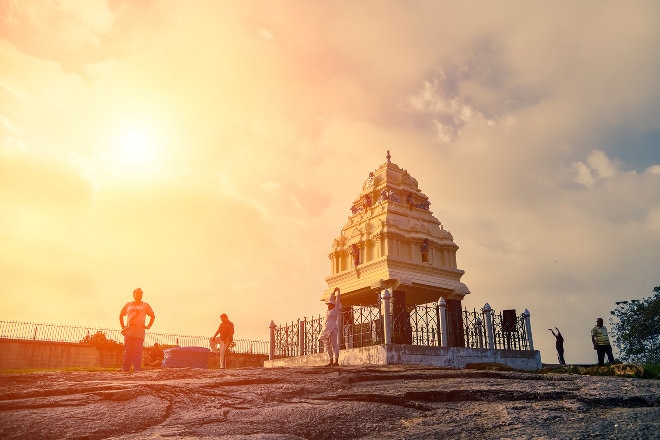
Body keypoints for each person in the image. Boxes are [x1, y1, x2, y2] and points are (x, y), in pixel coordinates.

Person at [119, 288, 155, 372]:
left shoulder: (145, 305)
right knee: (128, 350)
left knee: (137, 351)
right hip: (129, 332)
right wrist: (123, 326)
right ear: (133, 295)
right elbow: (121, 314)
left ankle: (137, 368)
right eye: (137, 293)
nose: (139, 295)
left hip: (139, 333)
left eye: (140, 294)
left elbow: (152, 316)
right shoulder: (128, 304)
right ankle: (125, 368)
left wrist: (148, 325)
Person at [318, 287, 342, 366]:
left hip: (332, 329)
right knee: (327, 346)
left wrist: (338, 292)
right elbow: (330, 297)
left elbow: (337, 301)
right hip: (325, 330)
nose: (328, 306)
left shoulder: (335, 310)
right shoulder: (327, 311)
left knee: (334, 344)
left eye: (330, 304)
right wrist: (333, 291)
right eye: (328, 304)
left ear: (333, 305)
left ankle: (336, 361)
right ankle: (331, 360)